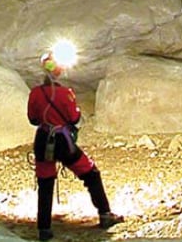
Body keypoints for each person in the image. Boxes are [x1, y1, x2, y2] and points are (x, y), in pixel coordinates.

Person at [27, 50, 124, 241]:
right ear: (59, 71)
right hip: (63, 142)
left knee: (45, 183)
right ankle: (105, 214)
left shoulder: (35, 93)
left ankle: (44, 229)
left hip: (43, 140)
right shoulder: (65, 94)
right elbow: (74, 117)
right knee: (90, 173)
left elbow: (33, 119)